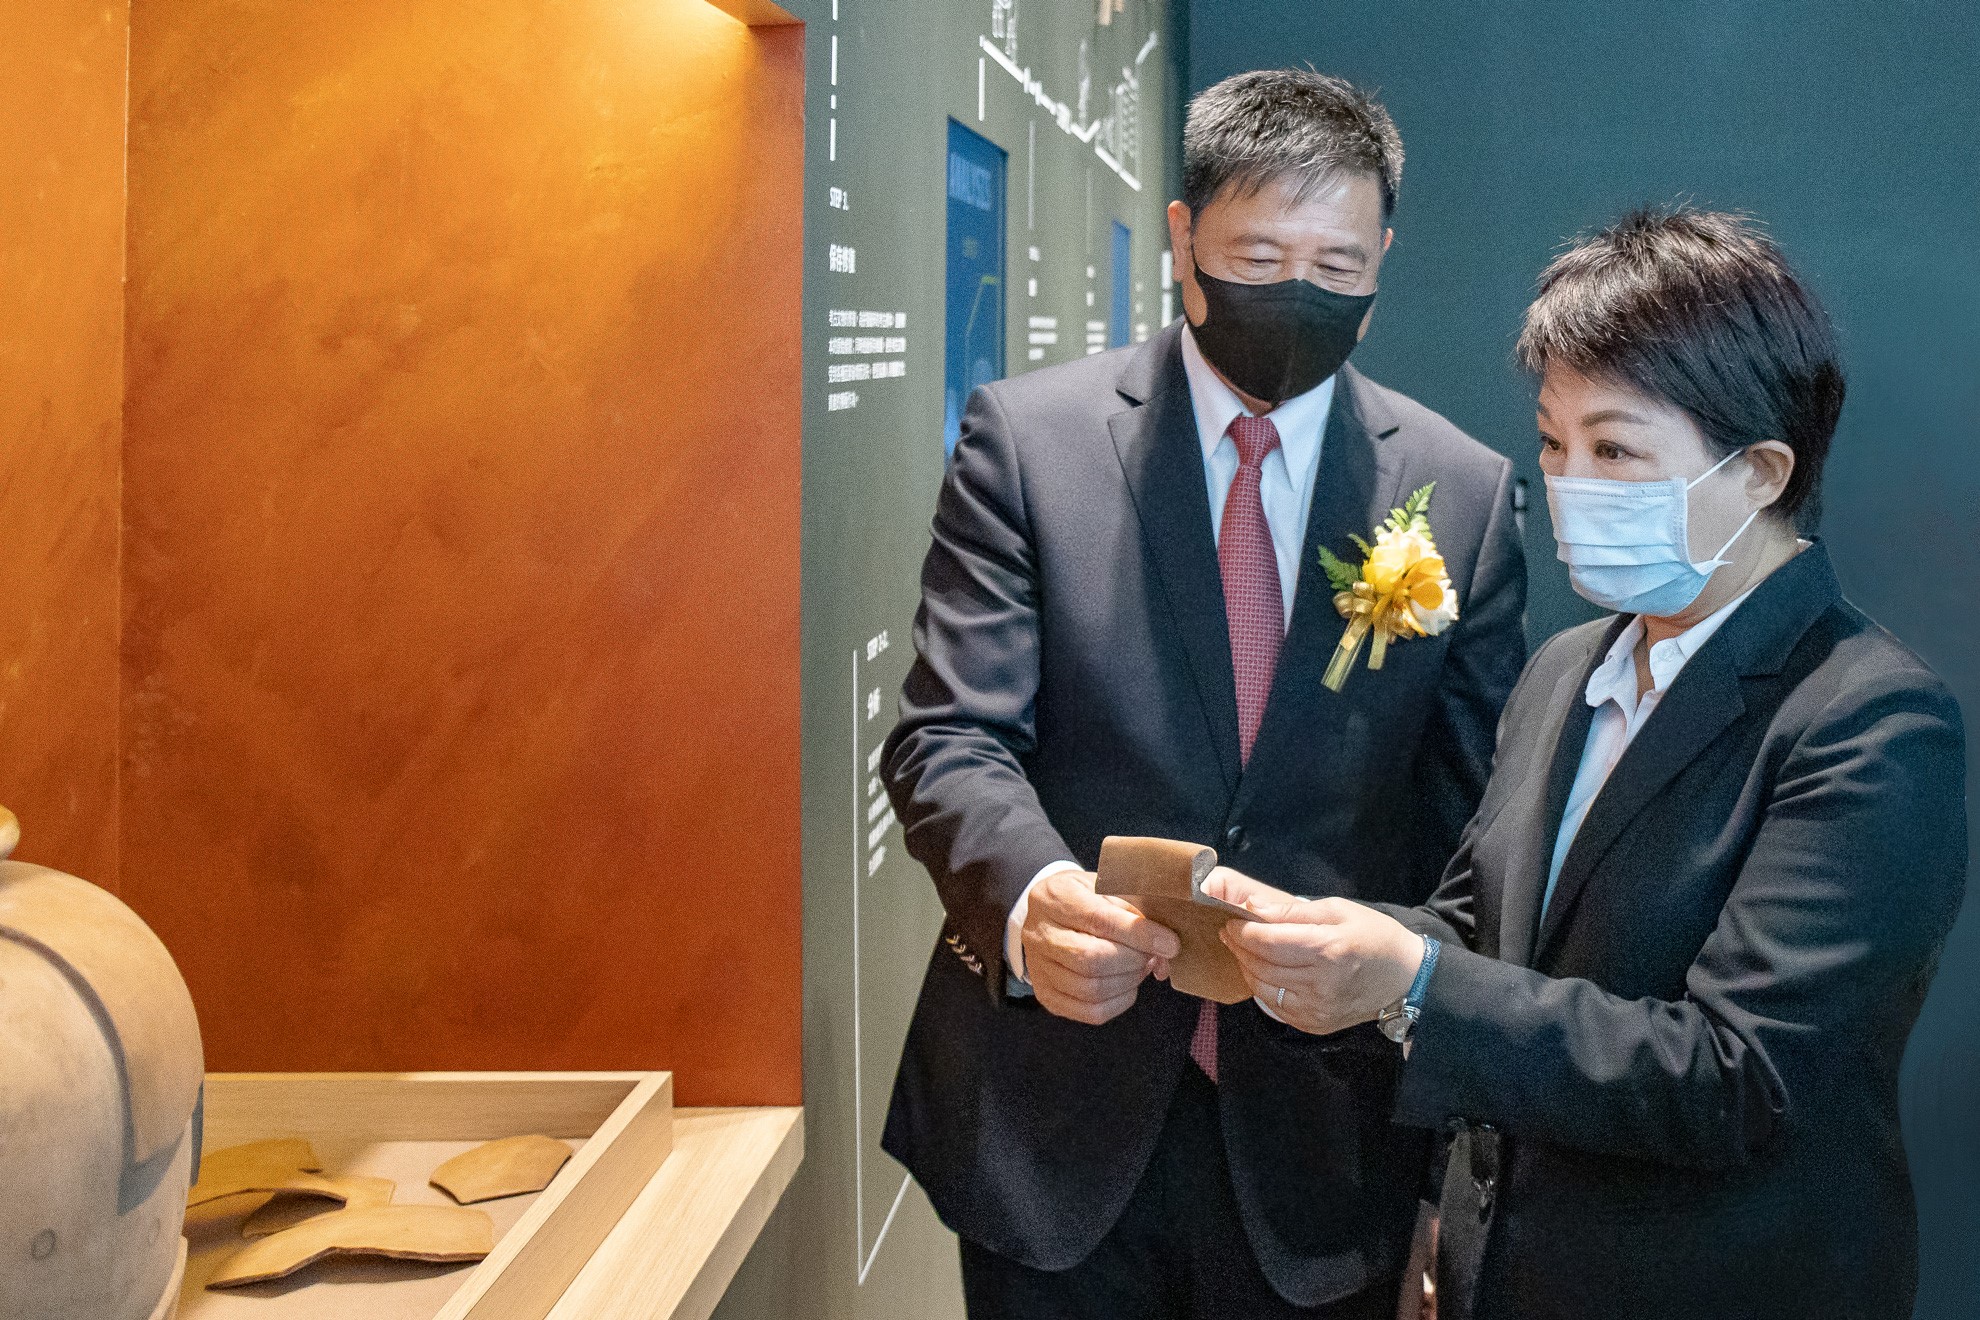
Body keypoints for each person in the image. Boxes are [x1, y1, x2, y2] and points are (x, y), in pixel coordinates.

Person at [1209, 208, 1968, 1320]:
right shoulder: (1567, 668)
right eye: (1554, 443)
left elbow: (1739, 1079)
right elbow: (1479, 928)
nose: (1569, 482)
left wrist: (1413, 983)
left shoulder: (1870, 721)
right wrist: (1313, 941)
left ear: (1760, 472)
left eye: (1615, 450)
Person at [881, 70, 1528, 1318]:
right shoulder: (1030, 442)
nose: (1299, 292)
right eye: (1259, 257)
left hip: (1328, 1137)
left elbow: (1471, 837)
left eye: (1338, 267)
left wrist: (1448, 1128)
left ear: (1383, 260)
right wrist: (1032, 898)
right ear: (1184, 240)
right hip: (1055, 1112)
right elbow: (950, 735)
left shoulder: (1461, 492)